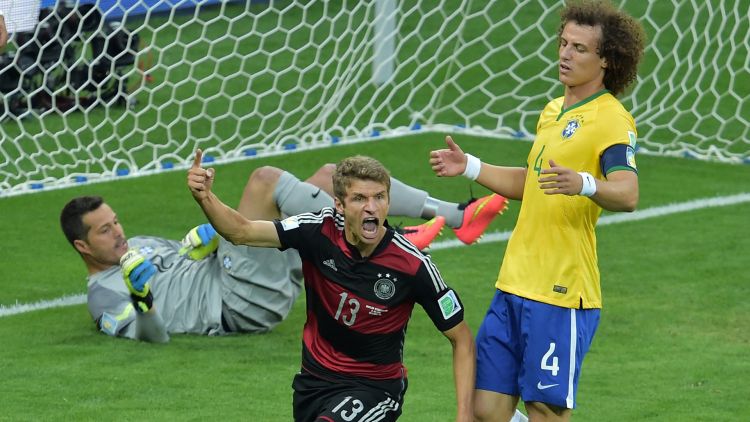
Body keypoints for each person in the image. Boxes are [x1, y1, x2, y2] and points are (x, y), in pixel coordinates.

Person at [429, 1, 645, 421]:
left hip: (560, 291)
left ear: (606, 59)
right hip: (515, 281)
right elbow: (533, 182)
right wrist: (470, 166)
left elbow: (628, 193)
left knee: (545, 410)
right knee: (486, 409)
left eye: (579, 48)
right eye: (564, 43)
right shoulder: (552, 112)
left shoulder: (612, 120)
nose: (565, 54)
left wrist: (584, 183)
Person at [60, 162, 506, 343]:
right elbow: (153, 336)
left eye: (115, 221)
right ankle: (389, 236)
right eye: (105, 231)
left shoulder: (139, 245)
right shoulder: (103, 297)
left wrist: (204, 241)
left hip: (239, 271)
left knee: (330, 176)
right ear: (82, 246)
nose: (119, 233)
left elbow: (187, 258)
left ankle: (457, 216)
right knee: (265, 182)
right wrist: (143, 302)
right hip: (235, 304)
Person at [188, 151, 475, 421]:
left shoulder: (412, 265)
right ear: (339, 205)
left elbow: (461, 338)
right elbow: (241, 231)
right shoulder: (316, 231)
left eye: (379, 197)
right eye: (360, 198)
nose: (371, 207)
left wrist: (464, 415)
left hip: (374, 389)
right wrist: (205, 197)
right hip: (313, 383)